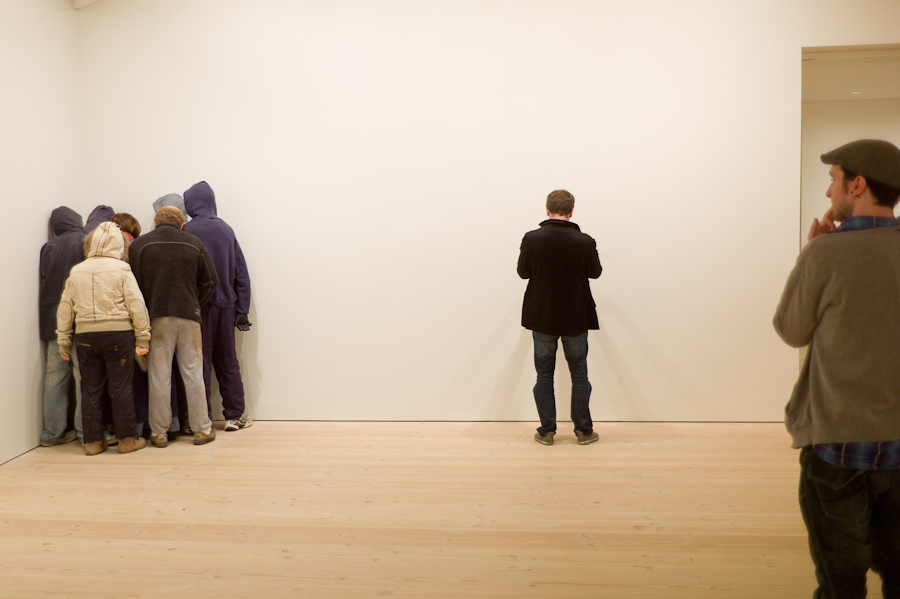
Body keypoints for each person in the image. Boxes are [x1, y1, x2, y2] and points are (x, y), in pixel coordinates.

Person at [773, 139, 900, 598]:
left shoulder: (824, 254)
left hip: (837, 448)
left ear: (857, 185)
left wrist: (810, 254)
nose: (829, 193)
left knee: (840, 583)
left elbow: (791, 330)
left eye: (834, 180)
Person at [56, 222, 150, 455]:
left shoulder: (77, 270)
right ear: (119, 244)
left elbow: (65, 307)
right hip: (118, 335)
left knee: (90, 390)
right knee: (121, 389)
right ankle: (127, 440)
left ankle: (93, 443)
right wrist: (143, 337)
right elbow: (136, 304)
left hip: (85, 336)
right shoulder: (122, 268)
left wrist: (64, 340)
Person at [517, 189, 603, 446]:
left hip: (542, 316)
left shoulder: (532, 238)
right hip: (575, 316)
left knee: (544, 375)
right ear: (571, 211)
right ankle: (584, 431)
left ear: (547, 210)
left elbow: (523, 272)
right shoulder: (584, 241)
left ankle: (546, 431)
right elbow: (595, 272)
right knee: (579, 375)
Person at [129, 206, 219, 447]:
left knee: (159, 375)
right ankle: (202, 428)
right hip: (189, 316)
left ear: (156, 222)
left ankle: (159, 432)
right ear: (181, 224)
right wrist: (195, 304)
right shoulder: (194, 243)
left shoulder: (141, 245)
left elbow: (133, 285)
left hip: (156, 317)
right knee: (193, 373)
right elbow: (211, 281)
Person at [183, 181, 253, 431]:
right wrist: (242, 311)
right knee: (228, 361)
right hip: (226, 306)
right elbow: (241, 273)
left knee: (198, 364)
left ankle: (202, 420)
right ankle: (235, 415)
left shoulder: (186, 230)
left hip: (197, 308)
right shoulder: (226, 229)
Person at [38, 207, 85, 447]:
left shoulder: (48, 248)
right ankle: (86, 432)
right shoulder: (84, 241)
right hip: (77, 319)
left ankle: (52, 433)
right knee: (83, 376)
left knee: (55, 376)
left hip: (51, 319)